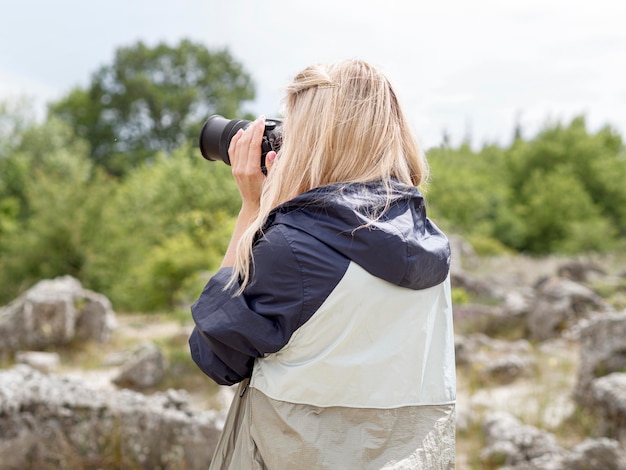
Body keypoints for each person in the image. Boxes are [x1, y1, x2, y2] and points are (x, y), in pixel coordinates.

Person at [189, 59, 456, 469]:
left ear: (316, 139)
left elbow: (213, 355)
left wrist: (251, 209)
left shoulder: (296, 249)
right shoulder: (430, 244)